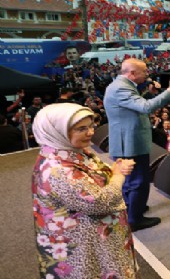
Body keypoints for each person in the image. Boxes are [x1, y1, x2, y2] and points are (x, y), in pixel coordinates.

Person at [32, 103, 137, 278]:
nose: (90, 133)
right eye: (81, 129)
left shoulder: (69, 150)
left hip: (93, 237)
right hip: (83, 247)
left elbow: (90, 176)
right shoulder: (57, 170)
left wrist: (111, 170)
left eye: (91, 126)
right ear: (57, 130)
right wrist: (119, 175)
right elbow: (99, 202)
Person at [103, 58, 170, 232]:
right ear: (132, 73)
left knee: (129, 180)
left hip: (128, 140)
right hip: (130, 143)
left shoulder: (120, 85)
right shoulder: (120, 88)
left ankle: (132, 207)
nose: (147, 74)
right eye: (144, 72)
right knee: (138, 181)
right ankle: (135, 219)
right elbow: (146, 108)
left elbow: (133, 106)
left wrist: (148, 92)